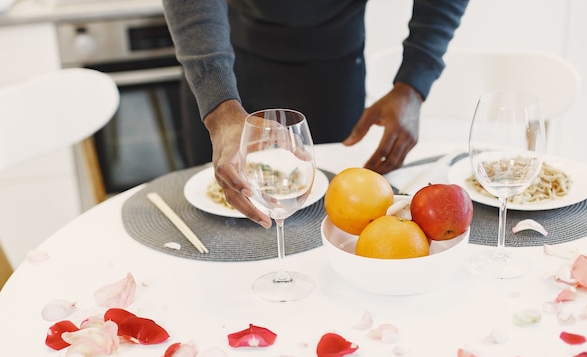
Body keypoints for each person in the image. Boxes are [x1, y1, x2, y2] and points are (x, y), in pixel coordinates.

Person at [163, 0, 469, 229]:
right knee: (213, 227)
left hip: (333, 77)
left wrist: (414, 83)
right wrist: (219, 109)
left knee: (329, 228)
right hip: (224, 71)